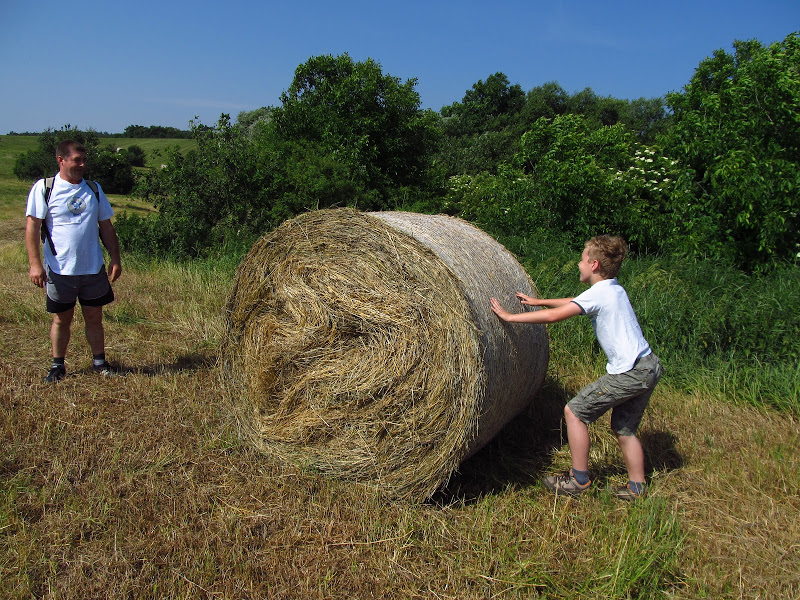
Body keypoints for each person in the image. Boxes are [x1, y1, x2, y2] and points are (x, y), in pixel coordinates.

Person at [490, 235, 662, 501]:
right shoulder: (613, 288)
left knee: (575, 412)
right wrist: (539, 301)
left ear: (593, 265)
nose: (578, 264)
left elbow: (554, 317)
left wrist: (511, 317)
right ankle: (637, 488)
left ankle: (579, 480)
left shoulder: (600, 294)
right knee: (624, 429)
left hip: (630, 372)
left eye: (582, 260)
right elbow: (576, 300)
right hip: (648, 365)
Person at [25, 140, 122, 383]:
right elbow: (32, 227)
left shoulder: (94, 189)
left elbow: (106, 227)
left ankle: (100, 362)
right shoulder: (44, 188)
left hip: (92, 268)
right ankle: (58, 366)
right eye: (77, 160)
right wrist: (35, 265)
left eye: (83, 160)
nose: (82, 164)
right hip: (60, 270)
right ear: (61, 160)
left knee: (94, 317)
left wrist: (115, 258)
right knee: (61, 319)